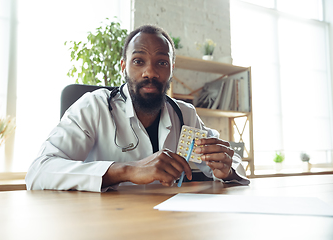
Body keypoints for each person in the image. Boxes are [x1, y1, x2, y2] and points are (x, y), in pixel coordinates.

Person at [25, 25, 250, 192]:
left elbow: (231, 166)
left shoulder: (185, 114)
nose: (149, 72)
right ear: (124, 66)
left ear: (172, 69)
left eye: (161, 63)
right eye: (138, 61)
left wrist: (227, 168)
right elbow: (38, 172)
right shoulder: (94, 106)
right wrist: (127, 170)